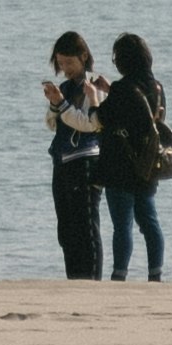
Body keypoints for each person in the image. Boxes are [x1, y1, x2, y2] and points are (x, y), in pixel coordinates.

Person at [97, 29, 172, 280]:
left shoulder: (122, 88)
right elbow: (142, 116)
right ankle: (156, 274)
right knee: (150, 221)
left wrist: (94, 97)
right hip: (148, 164)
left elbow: (104, 117)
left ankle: (120, 275)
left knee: (123, 225)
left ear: (122, 60)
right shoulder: (157, 88)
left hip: (121, 165)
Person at [43, 31, 108, 280]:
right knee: (66, 228)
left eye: (69, 62)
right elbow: (52, 123)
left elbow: (90, 123)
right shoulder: (66, 87)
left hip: (87, 161)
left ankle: (91, 280)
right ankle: (74, 278)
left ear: (83, 57)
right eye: (60, 63)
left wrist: (61, 105)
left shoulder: (95, 85)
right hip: (62, 161)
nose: (65, 68)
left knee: (86, 226)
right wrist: (54, 103)